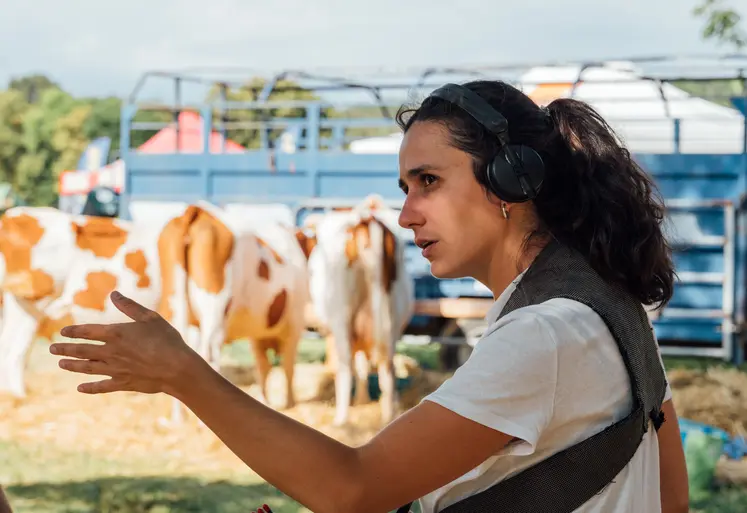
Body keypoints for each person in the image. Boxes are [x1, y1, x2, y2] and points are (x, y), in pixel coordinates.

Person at [49, 79, 690, 513]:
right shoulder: (606, 306)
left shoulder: (545, 333)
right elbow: (670, 498)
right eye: (405, 186)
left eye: (428, 182)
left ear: (511, 181)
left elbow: (352, 487)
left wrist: (183, 373)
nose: (406, 214)